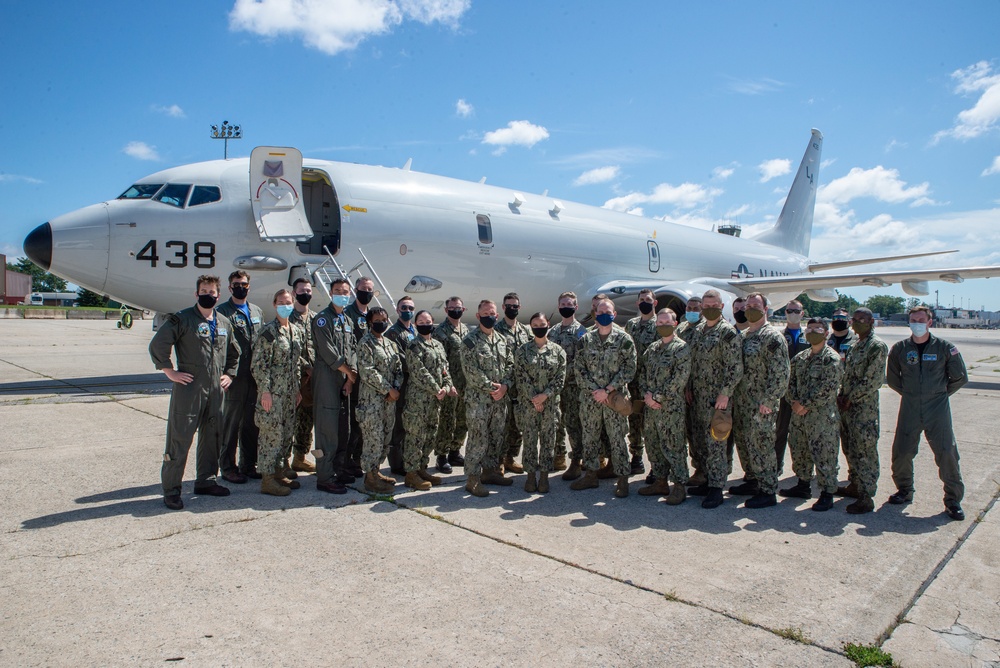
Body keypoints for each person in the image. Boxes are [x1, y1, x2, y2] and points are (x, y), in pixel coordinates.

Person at [149, 275, 240, 510]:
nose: (207, 295)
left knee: (213, 437)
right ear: (196, 293)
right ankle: (171, 490)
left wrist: (229, 374)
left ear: (218, 295)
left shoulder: (223, 323)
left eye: (212, 292)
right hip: (189, 389)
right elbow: (158, 344)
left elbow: (234, 353)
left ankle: (206, 481)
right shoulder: (183, 319)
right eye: (203, 291)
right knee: (179, 440)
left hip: (216, 391)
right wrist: (169, 371)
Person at [886, 306, 968, 521]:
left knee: (946, 453)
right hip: (910, 406)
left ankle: (953, 500)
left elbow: (959, 378)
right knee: (902, 451)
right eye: (914, 319)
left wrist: (938, 394)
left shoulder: (945, 348)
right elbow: (893, 379)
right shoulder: (900, 349)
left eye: (921, 319)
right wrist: (914, 395)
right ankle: (904, 490)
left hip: (937, 408)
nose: (917, 323)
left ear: (930, 322)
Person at [572, 298, 637, 498]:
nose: (603, 315)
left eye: (607, 312)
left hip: (614, 399)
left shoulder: (624, 339)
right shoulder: (586, 340)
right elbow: (579, 369)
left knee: (617, 439)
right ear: (595, 314)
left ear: (614, 314)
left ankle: (623, 479)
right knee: (590, 438)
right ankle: (591, 474)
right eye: (600, 312)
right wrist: (595, 390)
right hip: (591, 399)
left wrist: (608, 390)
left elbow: (630, 368)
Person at [731, 293, 790, 509]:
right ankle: (752, 480)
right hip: (743, 402)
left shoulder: (772, 337)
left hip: (761, 404)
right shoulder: (744, 336)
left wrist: (770, 399)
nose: (750, 309)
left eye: (756, 305)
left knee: (762, 446)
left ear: (765, 309)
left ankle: (767, 489)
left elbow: (781, 373)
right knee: (745, 443)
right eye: (748, 306)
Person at [686, 290, 742, 509]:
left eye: (713, 305)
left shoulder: (726, 333)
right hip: (698, 397)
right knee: (701, 441)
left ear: (720, 307)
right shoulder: (698, 330)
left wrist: (725, 393)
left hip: (717, 400)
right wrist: (689, 387)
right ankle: (708, 480)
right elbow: (692, 362)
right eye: (705, 305)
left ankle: (717, 488)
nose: (708, 308)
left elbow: (735, 367)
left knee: (716, 442)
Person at [783, 318, 844, 511]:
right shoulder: (800, 358)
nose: (812, 332)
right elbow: (788, 382)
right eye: (809, 328)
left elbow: (828, 388)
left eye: (817, 329)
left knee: (824, 453)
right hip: (799, 415)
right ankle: (803, 484)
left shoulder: (831, 359)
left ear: (826, 333)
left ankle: (827, 492)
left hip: (822, 417)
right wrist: (794, 402)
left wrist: (805, 404)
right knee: (799, 449)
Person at [251, 289, 305, 496]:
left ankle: (279, 471)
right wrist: (265, 392)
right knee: (270, 436)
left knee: (285, 435)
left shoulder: (295, 330)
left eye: (288, 302)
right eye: (281, 302)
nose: (285, 305)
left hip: (290, 394)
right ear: (274, 305)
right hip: (272, 395)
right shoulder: (268, 332)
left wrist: (297, 388)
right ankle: (267, 479)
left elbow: (296, 364)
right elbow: (259, 365)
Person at [836, 308, 889, 514]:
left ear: (871, 321)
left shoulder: (876, 346)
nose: (857, 323)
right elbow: (847, 375)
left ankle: (867, 496)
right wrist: (842, 395)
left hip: (863, 410)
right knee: (850, 448)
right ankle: (855, 485)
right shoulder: (856, 345)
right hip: (848, 409)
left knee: (865, 451)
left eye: (862, 320)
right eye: (854, 319)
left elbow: (873, 381)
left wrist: (851, 398)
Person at [460, 300, 514, 497]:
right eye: (485, 313)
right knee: (478, 439)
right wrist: (494, 388)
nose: (489, 316)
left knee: (496, 436)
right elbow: (471, 371)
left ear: (497, 316)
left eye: (492, 313)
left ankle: (490, 472)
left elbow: (510, 365)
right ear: (478, 316)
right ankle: (472, 479)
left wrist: (506, 386)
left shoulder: (502, 340)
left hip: (500, 400)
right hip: (479, 401)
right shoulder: (470, 341)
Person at [638, 308, 691, 505]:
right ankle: (660, 481)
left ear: (675, 324)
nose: (662, 326)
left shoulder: (681, 349)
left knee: (674, 446)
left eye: (666, 322)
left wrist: (657, 396)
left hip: (670, 408)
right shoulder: (652, 349)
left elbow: (679, 379)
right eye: (659, 323)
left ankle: (679, 485)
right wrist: (647, 395)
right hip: (651, 408)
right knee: (653, 444)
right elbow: (642, 374)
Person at [217, 270, 265, 483]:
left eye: (244, 284)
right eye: (236, 284)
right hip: (235, 376)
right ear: (230, 288)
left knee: (251, 424)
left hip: (254, 376)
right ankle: (227, 467)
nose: (241, 287)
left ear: (249, 286)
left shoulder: (256, 311)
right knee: (231, 423)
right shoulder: (222, 312)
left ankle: (248, 465)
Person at [311, 278, 357, 494]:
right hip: (327, 379)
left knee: (342, 428)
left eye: (345, 291)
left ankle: (337, 470)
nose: (342, 294)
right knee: (327, 430)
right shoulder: (322, 319)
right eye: (338, 291)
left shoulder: (346, 320)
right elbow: (327, 350)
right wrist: (348, 371)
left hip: (343, 380)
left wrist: (349, 378)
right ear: (330, 293)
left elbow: (353, 349)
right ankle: (324, 476)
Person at [514, 312, 567, 493]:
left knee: (548, 440)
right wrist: (534, 398)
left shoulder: (558, 351)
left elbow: (560, 378)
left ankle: (544, 476)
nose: (539, 327)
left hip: (550, 404)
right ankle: (530, 476)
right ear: (531, 327)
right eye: (535, 325)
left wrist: (545, 396)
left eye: (542, 324)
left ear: (548, 324)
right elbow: (520, 377)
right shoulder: (522, 351)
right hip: (529, 405)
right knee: (529, 439)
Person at [403, 310, 456, 490]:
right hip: (418, 401)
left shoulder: (438, 346)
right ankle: (411, 473)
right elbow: (419, 371)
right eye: (420, 321)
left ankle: (422, 468)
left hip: (435, 402)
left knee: (430, 436)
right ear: (416, 324)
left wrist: (446, 387)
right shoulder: (413, 346)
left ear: (433, 322)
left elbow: (445, 370)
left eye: (428, 320)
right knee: (415, 437)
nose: (425, 323)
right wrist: (436, 389)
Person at [356, 307, 403, 493]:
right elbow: (367, 371)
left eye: (384, 319)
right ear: (370, 322)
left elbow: (398, 368)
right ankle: (369, 478)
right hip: (371, 402)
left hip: (388, 402)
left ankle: (376, 471)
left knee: (385, 438)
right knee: (372, 439)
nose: (382, 322)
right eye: (378, 319)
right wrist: (388, 389)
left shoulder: (390, 344)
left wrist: (396, 388)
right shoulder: (365, 343)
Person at [340, 276, 377, 477]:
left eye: (370, 289)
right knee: (352, 423)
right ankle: (345, 461)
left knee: (364, 422)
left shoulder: (372, 315)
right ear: (356, 290)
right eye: (364, 289)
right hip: (355, 376)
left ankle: (356, 459)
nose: (367, 292)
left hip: (369, 379)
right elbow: (348, 348)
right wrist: (350, 375)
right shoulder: (348, 314)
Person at [550, 292, 586, 480]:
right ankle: (558, 456)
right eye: (563, 303)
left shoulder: (581, 332)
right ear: (558, 307)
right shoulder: (553, 331)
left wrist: (563, 372)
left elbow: (582, 360)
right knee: (556, 423)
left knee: (573, 424)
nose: (566, 306)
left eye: (569, 303)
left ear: (576, 307)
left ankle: (576, 461)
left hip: (572, 386)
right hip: (555, 387)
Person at [496, 292, 532, 474]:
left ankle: (511, 458)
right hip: (503, 385)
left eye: (515, 306)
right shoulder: (496, 330)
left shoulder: (526, 331)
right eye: (509, 305)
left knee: (518, 425)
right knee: (502, 424)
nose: (512, 308)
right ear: (503, 307)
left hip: (522, 387)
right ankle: (500, 460)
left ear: (520, 308)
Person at [774, 298, 811, 476]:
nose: (793, 314)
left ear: (802, 314)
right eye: (790, 311)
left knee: (803, 433)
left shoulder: (809, 337)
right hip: (783, 391)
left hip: (802, 393)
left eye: (797, 311)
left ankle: (804, 471)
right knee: (779, 430)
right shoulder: (779, 336)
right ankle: (776, 465)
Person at [432, 296, 469, 473]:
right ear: (446, 310)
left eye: (459, 307)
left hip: (465, 384)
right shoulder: (440, 332)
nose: (456, 310)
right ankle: (441, 456)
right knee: (447, 420)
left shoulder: (466, 330)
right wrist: (448, 384)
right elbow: (440, 361)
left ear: (464, 310)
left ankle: (455, 451)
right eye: (452, 307)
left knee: (462, 420)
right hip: (450, 385)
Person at [624, 289, 659, 475]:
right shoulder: (631, 325)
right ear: (637, 303)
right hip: (632, 382)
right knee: (634, 422)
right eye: (642, 300)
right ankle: (636, 458)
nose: (645, 302)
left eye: (648, 299)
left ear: (655, 302)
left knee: (651, 425)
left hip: (651, 385)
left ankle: (655, 465)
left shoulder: (660, 325)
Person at [384, 296, 417, 476]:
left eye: (410, 307)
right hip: (401, 382)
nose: (407, 310)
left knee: (409, 424)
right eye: (404, 307)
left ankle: (407, 459)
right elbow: (400, 359)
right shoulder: (393, 333)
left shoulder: (414, 330)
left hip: (414, 384)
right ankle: (397, 464)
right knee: (398, 424)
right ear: (397, 310)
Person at [288, 277, 317, 474]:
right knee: (289, 419)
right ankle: (282, 461)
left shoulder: (316, 318)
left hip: (313, 379)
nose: (305, 293)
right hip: (293, 377)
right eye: (301, 290)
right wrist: (306, 366)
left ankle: (300, 458)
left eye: (308, 290)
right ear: (293, 293)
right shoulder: (287, 318)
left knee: (307, 419)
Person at [676, 295, 705, 485]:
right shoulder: (681, 329)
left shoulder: (706, 330)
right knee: (687, 431)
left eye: (696, 308)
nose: (692, 310)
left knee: (701, 431)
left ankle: (704, 470)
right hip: (682, 387)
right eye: (689, 307)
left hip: (702, 389)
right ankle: (696, 468)